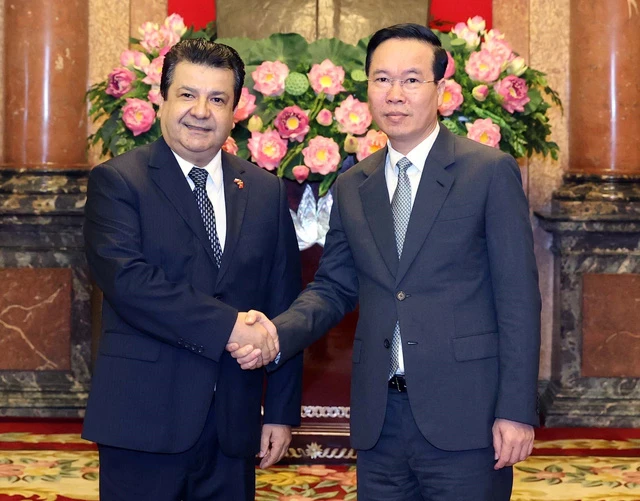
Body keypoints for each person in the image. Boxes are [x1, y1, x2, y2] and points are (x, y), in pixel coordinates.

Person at [231, 23, 541, 501]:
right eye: (382, 79)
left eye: (411, 79)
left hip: (467, 414)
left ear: (440, 88)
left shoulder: (487, 171)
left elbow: (518, 298)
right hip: (380, 420)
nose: (395, 94)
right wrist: (275, 333)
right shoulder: (354, 185)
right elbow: (333, 288)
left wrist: (516, 409)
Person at [82, 38, 302, 501]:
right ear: (162, 99)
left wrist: (281, 411)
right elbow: (130, 282)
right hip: (142, 420)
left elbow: (283, 301)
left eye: (217, 99)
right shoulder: (118, 181)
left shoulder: (264, 190)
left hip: (233, 424)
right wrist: (230, 327)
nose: (201, 111)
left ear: (235, 110)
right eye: (187, 94)